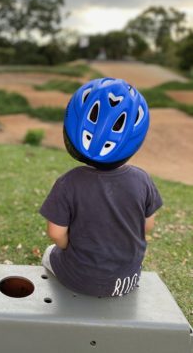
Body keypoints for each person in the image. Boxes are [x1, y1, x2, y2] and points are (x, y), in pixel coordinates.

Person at [40, 78, 163, 297]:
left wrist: (69, 248)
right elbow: (147, 227)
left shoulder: (68, 182)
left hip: (78, 279)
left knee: (49, 253)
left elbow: (55, 233)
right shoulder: (142, 179)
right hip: (128, 280)